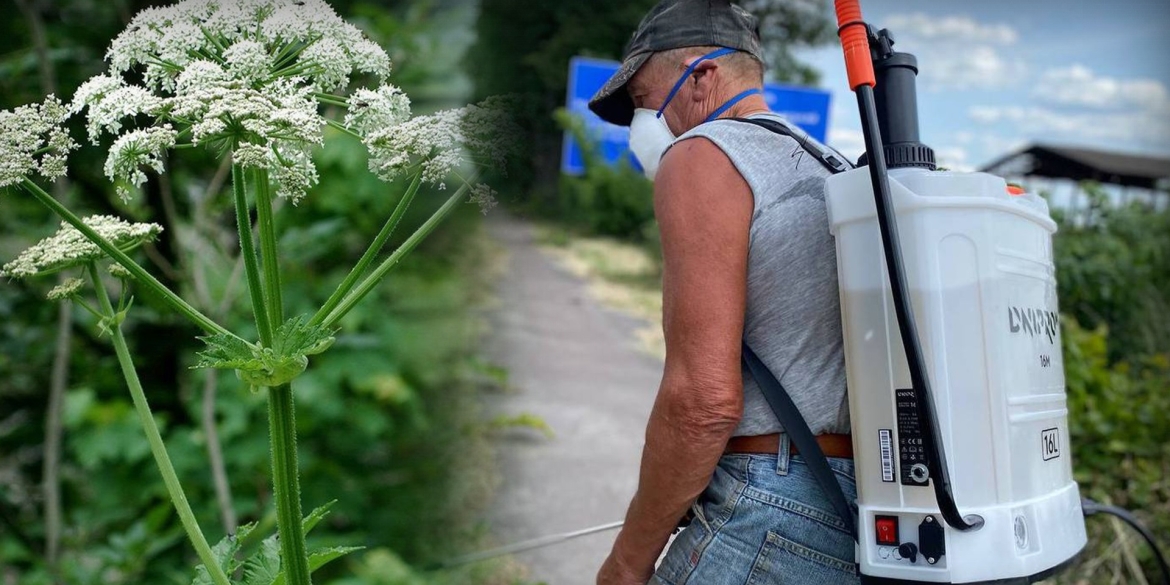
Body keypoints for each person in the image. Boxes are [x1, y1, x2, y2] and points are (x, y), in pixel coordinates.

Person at [587, 1, 858, 584]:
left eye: (642, 102)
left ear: (702, 76)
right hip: (854, 511)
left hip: (771, 513)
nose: (643, 124)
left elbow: (702, 401)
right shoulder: (828, 166)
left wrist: (627, 563)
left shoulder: (705, 154)